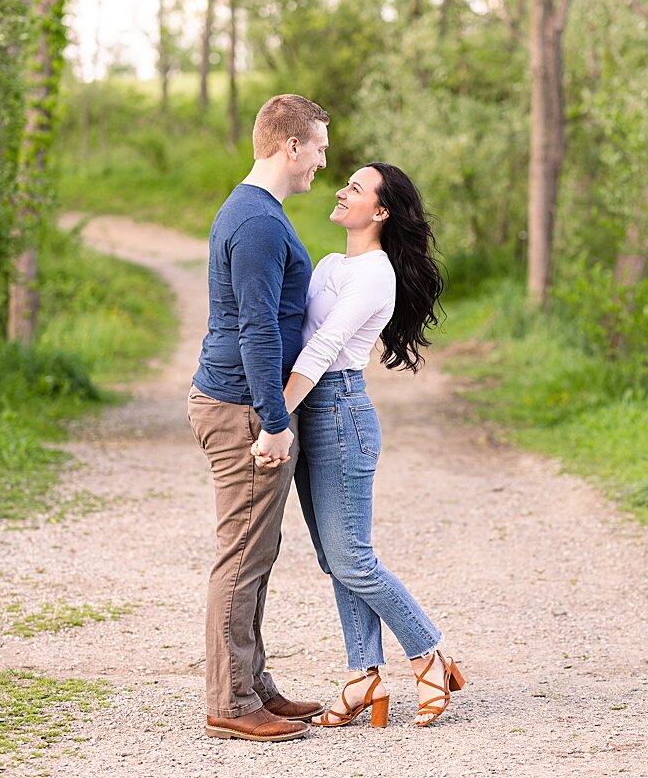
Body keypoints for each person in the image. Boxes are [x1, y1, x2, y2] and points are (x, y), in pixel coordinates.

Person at [260, 161, 464, 728]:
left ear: (380, 211)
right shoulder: (330, 264)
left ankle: (430, 654)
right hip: (313, 411)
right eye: (345, 182)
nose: (341, 190)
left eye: (355, 187)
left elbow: (322, 347)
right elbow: (291, 328)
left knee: (352, 556)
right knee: (335, 558)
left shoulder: (375, 273)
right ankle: (363, 675)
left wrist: (275, 417)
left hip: (341, 411)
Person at [187, 93, 330, 742]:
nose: (323, 163)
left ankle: (251, 682)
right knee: (242, 553)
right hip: (243, 408)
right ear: (290, 145)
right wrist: (274, 421)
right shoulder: (260, 222)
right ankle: (230, 701)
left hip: (245, 404)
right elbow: (257, 329)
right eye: (319, 149)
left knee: (257, 551)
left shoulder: (254, 212)